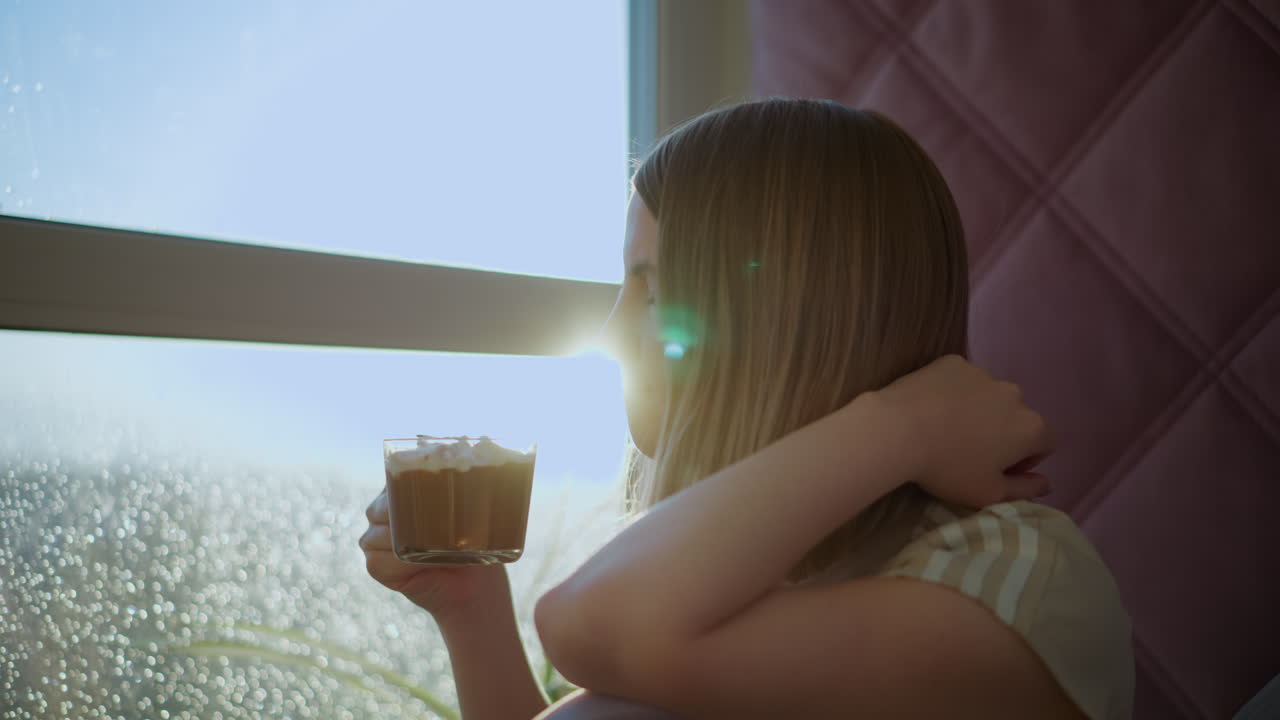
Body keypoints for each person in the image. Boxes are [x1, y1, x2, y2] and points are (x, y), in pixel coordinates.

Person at [360, 98, 1134, 719]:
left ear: (786, 318)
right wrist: (473, 615)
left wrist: (909, 421)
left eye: (654, 290)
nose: (610, 331)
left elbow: (593, 631)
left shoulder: (1012, 580)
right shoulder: (725, 570)